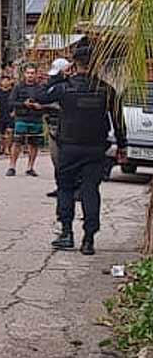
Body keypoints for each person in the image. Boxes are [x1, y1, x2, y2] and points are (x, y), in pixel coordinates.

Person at [39, 46, 126, 255]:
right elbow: (118, 121)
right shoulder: (107, 89)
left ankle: (66, 233)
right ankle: (89, 239)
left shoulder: (64, 87)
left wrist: (59, 77)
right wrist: (123, 145)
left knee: (65, 189)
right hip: (96, 148)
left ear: (74, 63)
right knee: (90, 190)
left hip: (69, 147)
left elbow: (42, 97)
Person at [9, 65, 46, 177]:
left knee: (34, 143)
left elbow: (45, 101)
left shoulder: (40, 88)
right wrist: (23, 104)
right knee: (17, 142)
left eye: (32, 73)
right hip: (21, 118)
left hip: (36, 118)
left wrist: (40, 106)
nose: (30, 75)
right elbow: (11, 102)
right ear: (24, 74)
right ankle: (12, 166)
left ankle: (30, 167)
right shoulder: (18, 87)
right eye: (28, 73)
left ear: (35, 74)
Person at [43, 58, 71, 198]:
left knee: (66, 160)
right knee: (56, 159)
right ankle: (60, 186)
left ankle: (70, 188)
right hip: (54, 125)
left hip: (67, 127)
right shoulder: (55, 86)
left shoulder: (68, 87)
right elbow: (42, 96)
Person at [0, 76, 15, 157]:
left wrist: (15, 111)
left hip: (10, 114)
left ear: (9, 82)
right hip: (1, 114)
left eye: (7, 81)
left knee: (9, 131)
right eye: (3, 81)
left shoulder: (13, 92)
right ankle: (1, 147)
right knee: (1, 133)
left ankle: (7, 148)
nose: (5, 82)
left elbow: (17, 101)